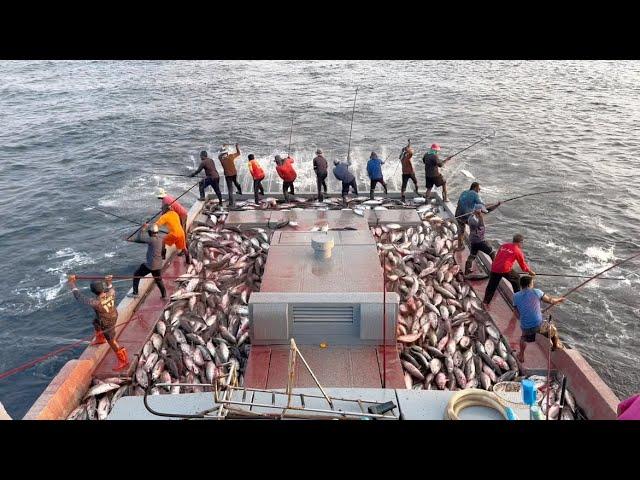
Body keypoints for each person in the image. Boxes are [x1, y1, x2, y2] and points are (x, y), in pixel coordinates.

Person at [68, 274, 129, 371]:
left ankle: (123, 360)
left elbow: (79, 297)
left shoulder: (95, 302)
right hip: (112, 314)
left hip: (107, 322)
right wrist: (109, 281)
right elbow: (111, 287)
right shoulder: (111, 293)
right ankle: (100, 338)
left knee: (112, 341)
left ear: (93, 291)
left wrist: (71, 283)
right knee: (95, 322)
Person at [510, 275, 565, 362]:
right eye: (532, 283)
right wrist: (559, 300)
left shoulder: (515, 296)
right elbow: (550, 300)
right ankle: (555, 345)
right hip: (538, 325)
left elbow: (516, 312)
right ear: (529, 285)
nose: (533, 285)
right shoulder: (537, 292)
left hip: (525, 326)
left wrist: (522, 319)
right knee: (553, 329)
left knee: (523, 338)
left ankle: (521, 355)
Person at [483, 233, 536, 307]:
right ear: (520, 242)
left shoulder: (503, 246)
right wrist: (530, 272)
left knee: (491, 286)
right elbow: (523, 266)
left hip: (494, 268)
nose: (522, 245)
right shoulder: (518, 251)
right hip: (505, 270)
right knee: (517, 278)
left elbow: (499, 257)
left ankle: (485, 302)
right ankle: (518, 301)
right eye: (522, 243)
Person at [455, 182, 501, 251]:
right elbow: (484, 207)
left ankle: (460, 246)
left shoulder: (464, 192)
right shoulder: (475, 194)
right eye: (479, 189)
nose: (479, 190)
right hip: (466, 216)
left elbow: (459, 203)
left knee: (461, 230)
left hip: (458, 215)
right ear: (475, 188)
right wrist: (496, 205)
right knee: (477, 228)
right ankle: (476, 246)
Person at [128, 223, 167, 300]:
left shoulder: (151, 239)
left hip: (151, 265)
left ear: (150, 232)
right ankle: (164, 295)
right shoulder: (161, 239)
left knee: (136, 275)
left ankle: (135, 293)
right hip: (159, 264)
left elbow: (140, 238)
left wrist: (143, 228)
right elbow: (163, 251)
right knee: (158, 280)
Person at [464, 204, 497, 275]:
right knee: (492, 253)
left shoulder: (473, 217)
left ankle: (467, 271)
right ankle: (495, 271)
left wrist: (496, 205)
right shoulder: (472, 220)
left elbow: (488, 211)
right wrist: (480, 216)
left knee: (472, 255)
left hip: (473, 240)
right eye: (482, 212)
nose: (483, 213)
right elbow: (481, 225)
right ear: (477, 211)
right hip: (479, 241)